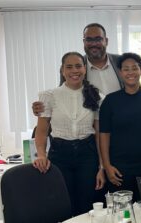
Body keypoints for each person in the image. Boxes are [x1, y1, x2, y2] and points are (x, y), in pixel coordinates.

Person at [33, 52, 105, 216]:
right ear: (62, 70)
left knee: (87, 206)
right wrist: (41, 155)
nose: (75, 70)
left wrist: (101, 167)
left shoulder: (97, 97)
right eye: (69, 67)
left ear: (85, 69)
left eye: (78, 66)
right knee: (62, 204)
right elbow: (42, 131)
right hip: (59, 154)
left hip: (87, 154)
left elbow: (100, 135)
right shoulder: (49, 96)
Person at [99, 52, 141, 202]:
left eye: (134, 68)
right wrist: (107, 166)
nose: (130, 72)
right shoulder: (110, 101)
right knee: (123, 213)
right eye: (126, 69)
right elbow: (104, 135)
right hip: (119, 169)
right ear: (120, 73)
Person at [32, 23, 122, 115]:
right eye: (89, 39)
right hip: (92, 126)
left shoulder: (121, 61)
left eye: (98, 39)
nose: (93, 43)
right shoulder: (73, 69)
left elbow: (134, 90)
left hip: (122, 122)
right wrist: (42, 108)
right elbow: (62, 97)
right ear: (84, 42)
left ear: (106, 41)